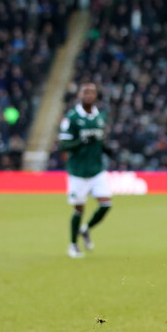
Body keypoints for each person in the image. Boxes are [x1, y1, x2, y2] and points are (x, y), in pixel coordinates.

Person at [58, 82, 113, 259]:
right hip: (78, 171)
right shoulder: (72, 118)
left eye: (92, 92)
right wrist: (81, 141)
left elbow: (99, 141)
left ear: (96, 96)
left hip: (97, 169)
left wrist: (106, 149)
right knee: (79, 209)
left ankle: (85, 229)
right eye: (85, 92)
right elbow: (64, 144)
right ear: (79, 96)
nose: (89, 95)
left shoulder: (101, 117)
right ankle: (73, 245)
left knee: (106, 204)